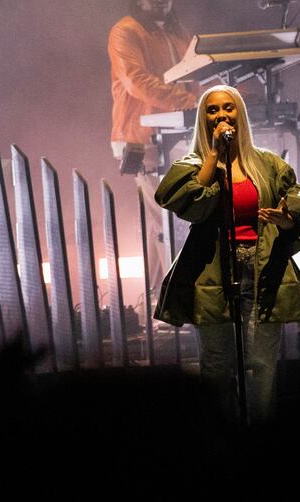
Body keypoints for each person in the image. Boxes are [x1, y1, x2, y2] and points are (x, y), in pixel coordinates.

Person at [154, 85, 300, 425]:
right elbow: (187, 203)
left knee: (261, 365)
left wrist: (286, 219)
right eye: (212, 110)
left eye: (228, 108)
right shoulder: (192, 165)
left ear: (240, 114)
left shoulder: (267, 164)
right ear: (203, 120)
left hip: (263, 270)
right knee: (217, 366)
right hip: (212, 273)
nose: (221, 115)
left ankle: (259, 441)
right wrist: (213, 156)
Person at [107, 0, 197, 287]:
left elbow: (197, 78)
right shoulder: (125, 32)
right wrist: (190, 102)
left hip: (176, 137)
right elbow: (137, 81)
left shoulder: (180, 33)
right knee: (167, 219)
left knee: (159, 221)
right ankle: (176, 301)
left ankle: (154, 304)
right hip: (140, 139)